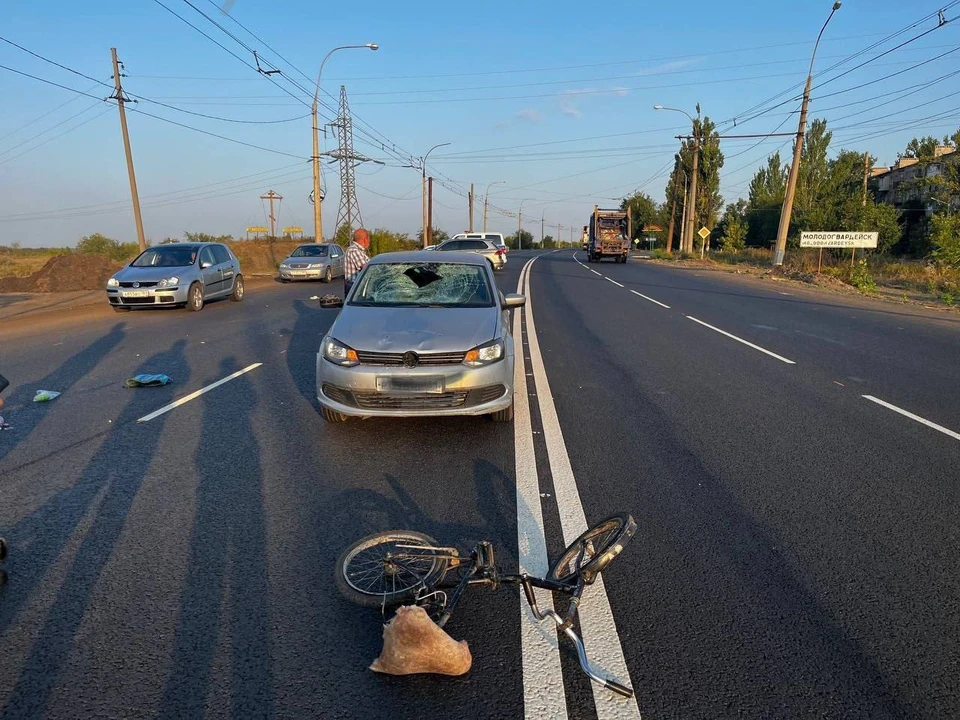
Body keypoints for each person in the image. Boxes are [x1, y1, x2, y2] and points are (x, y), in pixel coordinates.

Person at [343, 227, 371, 296]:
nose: (369, 242)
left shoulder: (358, 250)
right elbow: (366, 268)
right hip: (354, 286)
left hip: (355, 285)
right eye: (369, 240)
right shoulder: (354, 250)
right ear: (365, 240)